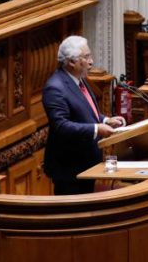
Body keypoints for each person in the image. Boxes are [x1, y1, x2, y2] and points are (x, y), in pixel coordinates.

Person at [42, 36, 125, 194]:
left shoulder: (79, 79)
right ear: (72, 62)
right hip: (69, 169)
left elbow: (84, 112)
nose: (91, 62)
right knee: (72, 215)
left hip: (86, 164)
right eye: (86, 57)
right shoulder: (55, 88)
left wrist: (106, 120)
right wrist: (97, 129)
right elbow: (61, 126)